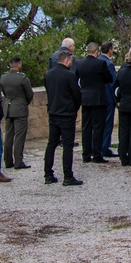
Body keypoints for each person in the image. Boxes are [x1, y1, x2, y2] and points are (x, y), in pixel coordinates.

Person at [43, 49, 83, 186]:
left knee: (51, 144)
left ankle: (48, 174)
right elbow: (77, 95)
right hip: (66, 114)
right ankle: (68, 176)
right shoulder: (69, 76)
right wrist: (74, 108)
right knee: (67, 146)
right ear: (66, 61)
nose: (72, 63)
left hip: (53, 113)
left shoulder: (48, 75)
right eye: (71, 61)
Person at [76, 42, 113, 164]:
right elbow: (109, 78)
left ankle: (86, 154)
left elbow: (76, 78)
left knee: (86, 127)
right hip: (98, 98)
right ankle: (97, 154)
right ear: (96, 52)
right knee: (98, 127)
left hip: (85, 98)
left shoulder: (80, 64)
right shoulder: (100, 63)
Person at [0, 56, 34, 170]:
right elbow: (29, 94)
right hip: (20, 108)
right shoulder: (22, 78)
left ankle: (8, 160)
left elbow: (4, 92)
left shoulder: (3, 78)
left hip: (8, 107)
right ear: (18, 65)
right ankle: (18, 161)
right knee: (19, 136)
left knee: (8, 135)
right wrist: (24, 102)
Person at [99, 40, 119, 157]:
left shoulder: (97, 61)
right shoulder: (109, 64)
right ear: (110, 49)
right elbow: (113, 83)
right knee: (107, 124)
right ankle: (104, 147)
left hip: (99, 97)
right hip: (108, 98)